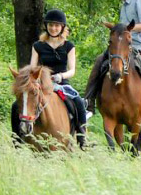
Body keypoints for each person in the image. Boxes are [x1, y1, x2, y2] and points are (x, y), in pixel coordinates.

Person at [11, 9, 90, 147]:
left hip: (62, 83)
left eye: (57, 25)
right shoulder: (38, 46)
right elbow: (32, 68)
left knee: (77, 101)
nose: (53, 28)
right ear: (46, 26)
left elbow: (72, 70)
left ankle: (82, 137)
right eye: (51, 25)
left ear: (62, 28)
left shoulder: (69, 46)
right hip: (41, 83)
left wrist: (60, 76)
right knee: (15, 106)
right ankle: (17, 140)